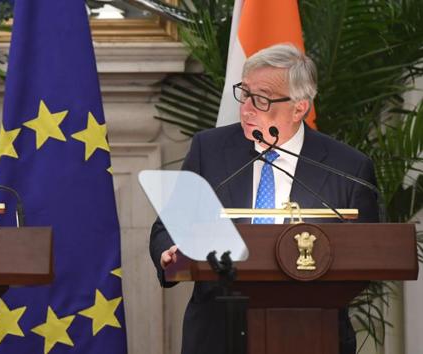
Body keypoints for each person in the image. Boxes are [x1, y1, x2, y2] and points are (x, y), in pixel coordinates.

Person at [149, 44, 379, 354]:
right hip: (218, 334)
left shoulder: (346, 167)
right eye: (244, 94)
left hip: (311, 334)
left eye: (261, 99)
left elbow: (366, 259)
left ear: (299, 108)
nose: (246, 109)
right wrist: (170, 253)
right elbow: (166, 230)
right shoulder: (211, 150)